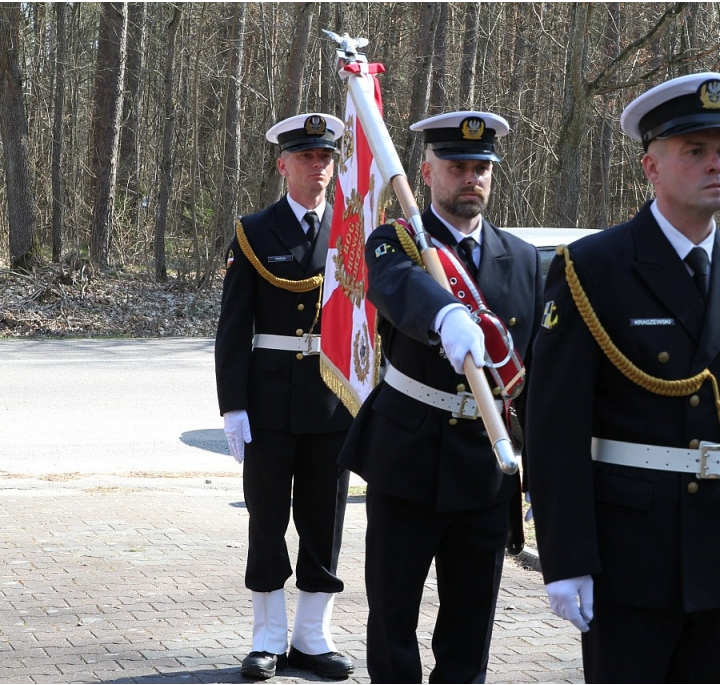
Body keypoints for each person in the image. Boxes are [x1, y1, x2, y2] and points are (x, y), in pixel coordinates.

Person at [524, 73, 720, 683]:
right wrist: (565, 558)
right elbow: (554, 426)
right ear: (650, 166)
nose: (716, 166)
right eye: (695, 151)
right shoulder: (593, 266)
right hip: (631, 554)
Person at [338, 110, 545, 683]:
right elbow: (396, 287)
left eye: (481, 167)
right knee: (392, 617)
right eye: (457, 167)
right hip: (406, 457)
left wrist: (545, 472)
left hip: (484, 462)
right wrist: (445, 313)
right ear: (427, 173)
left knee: (469, 623)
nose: (470, 178)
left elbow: (533, 374)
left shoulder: (524, 259)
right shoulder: (394, 241)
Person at [215, 112, 355, 681]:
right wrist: (232, 406)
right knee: (267, 521)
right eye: (305, 157)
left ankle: (313, 637)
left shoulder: (351, 232)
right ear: (283, 164)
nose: (317, 167)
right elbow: (233, 327)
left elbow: (365, 324)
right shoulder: (253, 230)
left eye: (325, 158)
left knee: (325, 521)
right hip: (269, 403)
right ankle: (268, 638)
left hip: (331, 402)